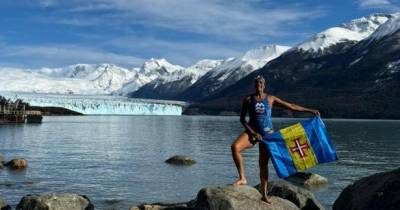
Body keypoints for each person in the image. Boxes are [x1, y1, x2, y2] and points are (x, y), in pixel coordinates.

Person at [231, 75, 319, 204]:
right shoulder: (248, 99)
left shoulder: (271, 99)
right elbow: (242, 119)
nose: (258, 85)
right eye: (256, 83)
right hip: (252, 133)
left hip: (268, 135)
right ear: (254, 85)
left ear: (264, 85)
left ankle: (264, 194)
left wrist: (310, 111)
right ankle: (242, 178)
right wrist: (252, 132)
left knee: (263, 164)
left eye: (261, 83)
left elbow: (290, 106)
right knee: (235, 148)